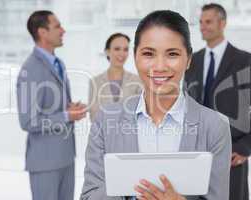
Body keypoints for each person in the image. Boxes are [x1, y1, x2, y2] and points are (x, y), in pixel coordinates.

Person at [81, 10, 231, 200]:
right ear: (135, 57)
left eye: (172, 54)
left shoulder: (215, 126)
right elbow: (88, 196)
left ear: (189, 60)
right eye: (148, 54)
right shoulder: (105, 119)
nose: (159, 67)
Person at [185, 3, 251, 200]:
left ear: (223, 23)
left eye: (208, 21)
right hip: (196, 153)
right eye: (201, 22)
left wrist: (246, 146)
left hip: (231, 154)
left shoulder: (243, 60)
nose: (203, 26)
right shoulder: (192, 61)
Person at [16, 10, 87, 200]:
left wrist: (70, 108)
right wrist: (66, 116)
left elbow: (56, 106)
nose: (63, 30)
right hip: (45, 163)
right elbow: (28, 121)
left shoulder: (59, 64)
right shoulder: (30, 69)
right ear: (42, 32)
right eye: (57, 26)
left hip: (66, 158)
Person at [88, 33, 142, 121]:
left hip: (129, 132)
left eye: (125, 49)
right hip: (103, 133)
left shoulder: (137, 81)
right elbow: (94, 116)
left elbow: (140, 113)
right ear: (107, 52)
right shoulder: (95, 82)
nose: (122, 53)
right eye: (117, 49)